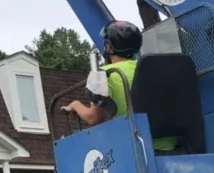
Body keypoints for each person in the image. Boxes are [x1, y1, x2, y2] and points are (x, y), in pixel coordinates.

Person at [62, 20, 179, 153]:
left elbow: (93, 118)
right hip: (170, 147)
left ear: (109, 47)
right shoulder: (152, 68)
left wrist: (75, 105)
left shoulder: (105, 74)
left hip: (135, 148)